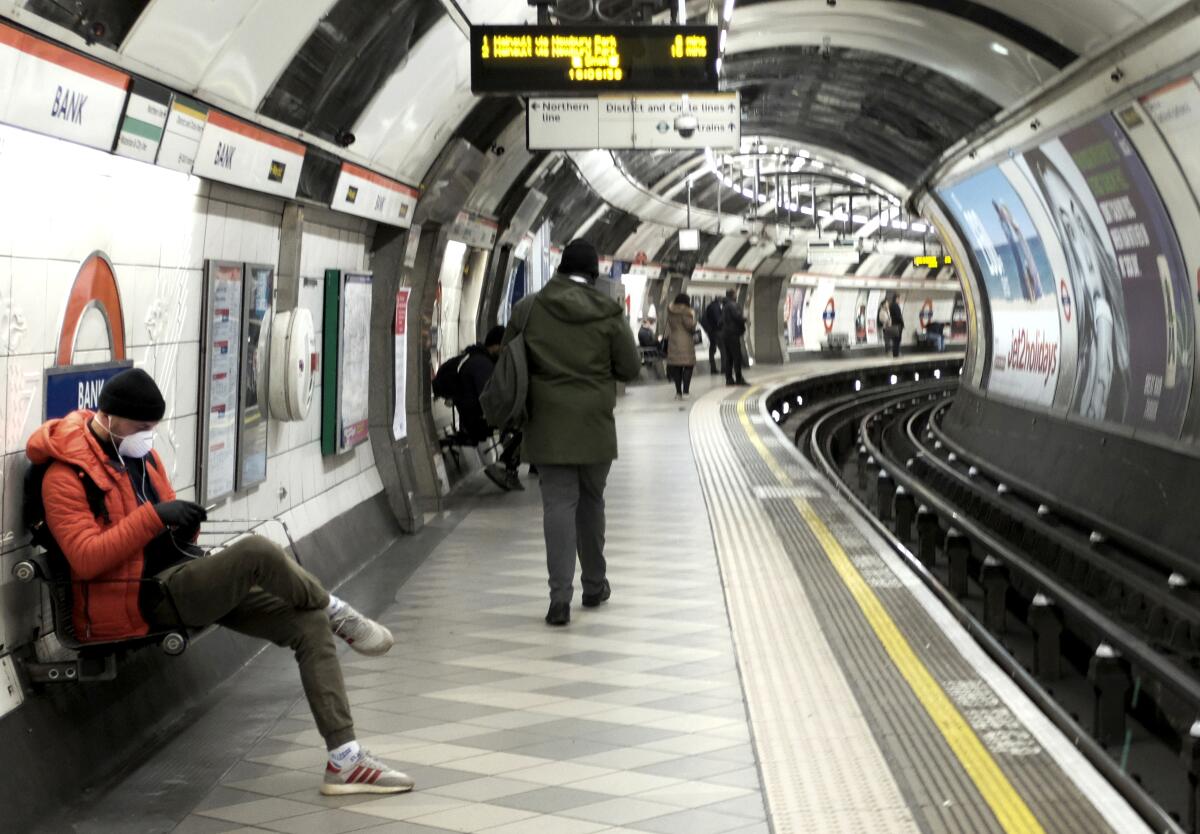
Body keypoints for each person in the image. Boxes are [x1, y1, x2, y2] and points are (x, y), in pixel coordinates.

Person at [27, 368, 413, 796]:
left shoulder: (140, 456)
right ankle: (336, 609)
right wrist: (155, 518)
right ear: (111, 418)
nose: (147, 437)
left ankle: (345, 761)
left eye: (153, 428)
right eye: (140, 428)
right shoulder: (66, 475)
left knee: (308, 626)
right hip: (139, 597)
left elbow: (159, 529)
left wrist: (182, 524)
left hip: (180, 575)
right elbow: (85, 558)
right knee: (255, 552)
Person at [505, 239, 641, 626]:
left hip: (548, 423)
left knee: (558, 506)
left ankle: (559, 599)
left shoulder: (528, 309)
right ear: (594, 275)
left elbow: (510, 358)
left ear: (560, 268)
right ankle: (594, 585)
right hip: (595, 424)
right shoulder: (609, 312)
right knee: (592, 502)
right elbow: (630, 367)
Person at [451, 325, 523, 491]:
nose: (505, 351)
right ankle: (506, 467)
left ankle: (507, 465)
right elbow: (489, 396)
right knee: (524, 425)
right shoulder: (482, 365)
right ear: (496, 345)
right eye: (504, 346)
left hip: (474, 415)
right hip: (477, 419)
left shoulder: (479, 360)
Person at [665, 293, 698, 399]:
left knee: (677, 367)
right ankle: (686, 392)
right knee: (688, 365)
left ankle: (678, 393)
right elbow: (690, 326)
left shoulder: (670, 311)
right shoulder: (686, 312)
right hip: (685, 341)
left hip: (673, 340)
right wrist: (695, 320)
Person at [720, 289, 748, 386]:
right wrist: (745, 319)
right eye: (735, 294)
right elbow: (737, 317)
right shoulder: (733, 305)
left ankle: (729, 379)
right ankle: (739, 379)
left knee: (729, 358)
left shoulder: (724, 305)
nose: (736, 296)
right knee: (737, 357)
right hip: (733, 334)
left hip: (726, 334)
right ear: (733, 295)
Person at [702, 296, 724, 374]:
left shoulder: (710, 306)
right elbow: (718, 319)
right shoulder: (716, 307)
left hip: (711, 331)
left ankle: (713, 368)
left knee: (712, 350)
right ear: (719, 300)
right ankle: (723, 369)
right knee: (723, 349)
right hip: (717, 331)